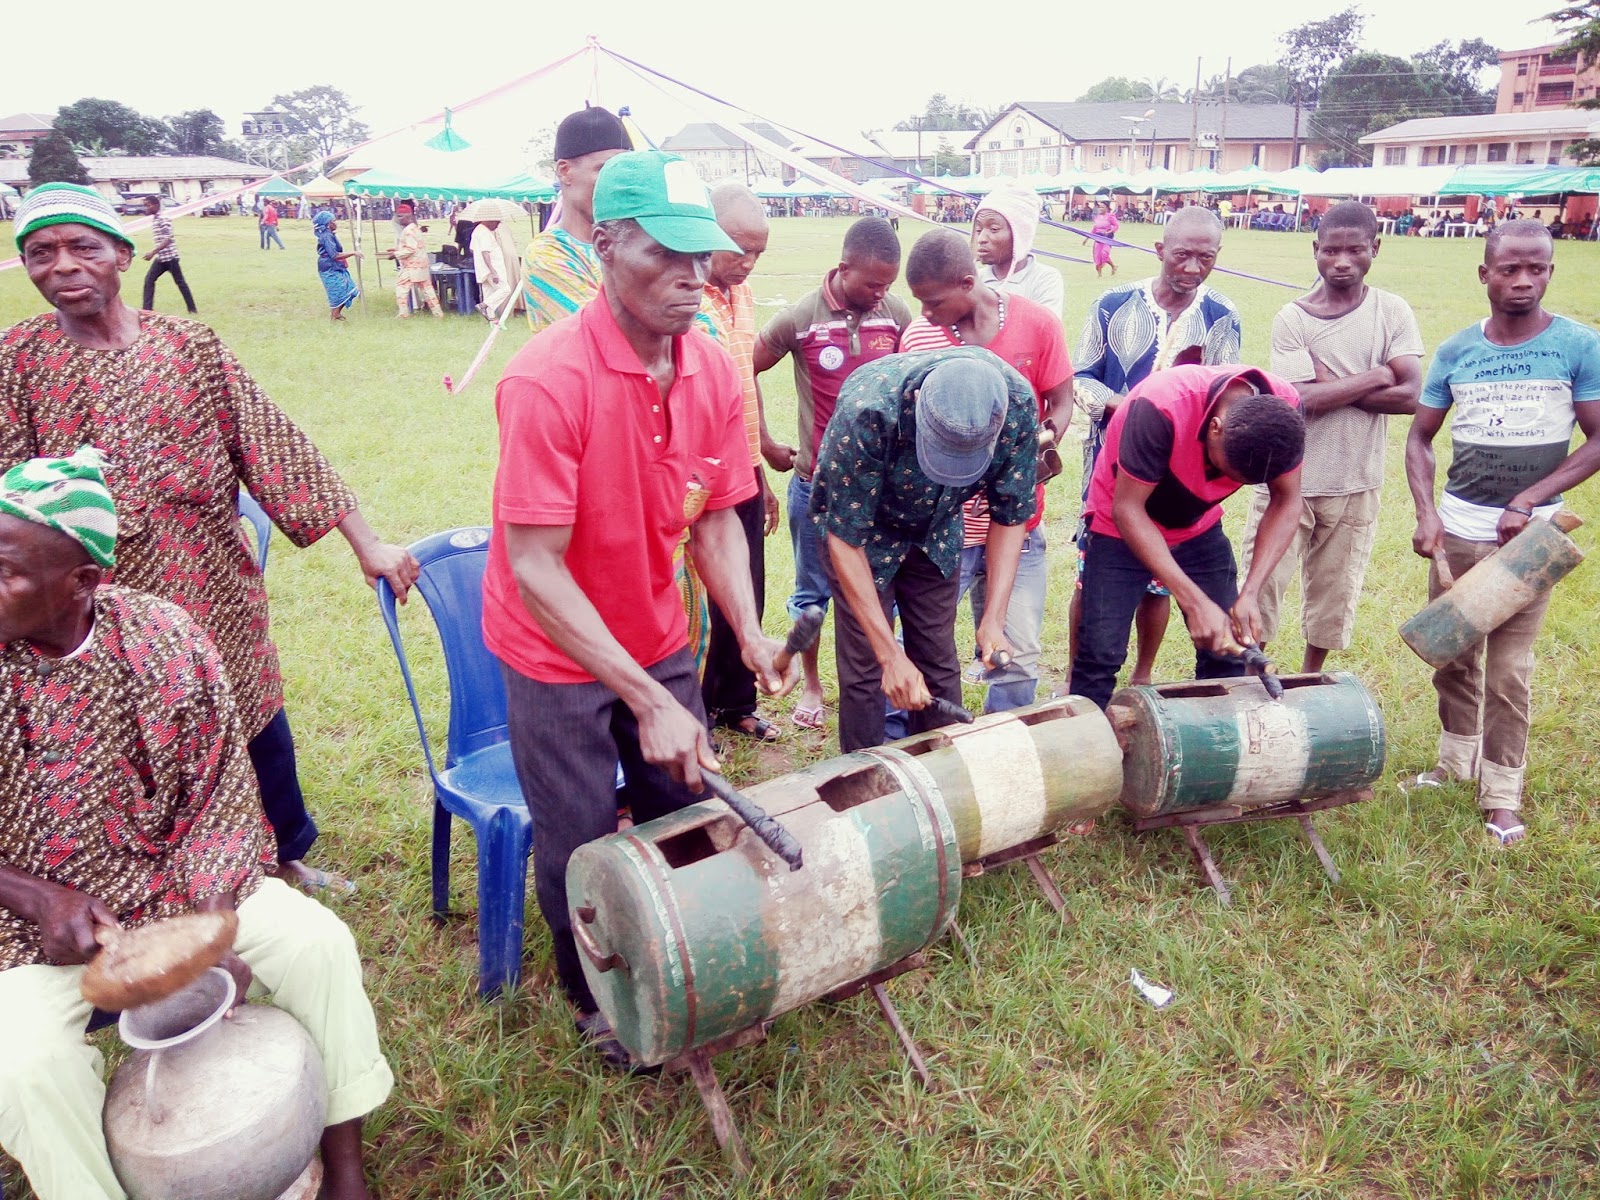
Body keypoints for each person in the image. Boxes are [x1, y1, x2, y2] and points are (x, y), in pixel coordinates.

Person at [1, 182, 420, 894]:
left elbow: (274, 445)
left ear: (123, 256)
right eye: (41, 253)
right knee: (126, 736)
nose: (62, 266)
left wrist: (368, 543)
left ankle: (283, 857)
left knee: (251, 713)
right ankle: (153, 874)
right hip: (101, 602)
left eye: (83, 247)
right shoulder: (19, 359)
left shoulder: (188, 345)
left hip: (213, 582)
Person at [0, 448, 393, 1200]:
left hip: (180, 891)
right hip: (30, 935)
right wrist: (34, 896)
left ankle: (345, 1170)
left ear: (84, 582)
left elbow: (218, 791)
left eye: (8, 571)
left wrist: (209, 930)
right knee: (21, 1063)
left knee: (318, 945)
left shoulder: (164, 639)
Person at [484, 152, 796, 1065]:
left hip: (657, 629)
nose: (693, 275)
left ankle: (687, 955)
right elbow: (535, 568)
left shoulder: (708, 368)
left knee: (685, 803)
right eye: (667, 253)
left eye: (702, 256)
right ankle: (595, 991)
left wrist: (744, 628)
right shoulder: (547, 381)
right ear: (608, 243)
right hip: (553, 649)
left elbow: (718, 521)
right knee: (582, 839)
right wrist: (647, 697)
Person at [1404, 220, 1600, 847]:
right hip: (1457, 531)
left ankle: (1501, 797)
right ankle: (1452, 765)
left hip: (1531, 542)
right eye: (1509, 268)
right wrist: (1426, 513)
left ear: (1549, 272)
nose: (1522, 280)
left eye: (1536, 269)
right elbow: (1418, 437)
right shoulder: (1457, 350)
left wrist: (1529, 498)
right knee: (1453, 655)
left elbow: (1598, 439)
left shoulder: (1578, 345)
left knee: (1508, 671)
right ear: (1483, 274)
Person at [811, 348, 1038, 751]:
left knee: (938, 662)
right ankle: (864, 788)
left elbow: (1010, 514)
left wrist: (993, 621)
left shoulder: (1017, 405)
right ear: (917, 405)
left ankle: (938, 773)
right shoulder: (868, 409)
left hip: (936, 534)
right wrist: (889, 657)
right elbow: (844, 538)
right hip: (864, 536)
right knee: (866, 669)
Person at [1239, 201, 1422, 673]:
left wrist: (1331, 384)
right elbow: (1298, 401)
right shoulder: (1293, 318)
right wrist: (1378, 373)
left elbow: (1410, 396)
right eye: (1331, 250)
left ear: (1374, 249)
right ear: (1314, 250)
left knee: (1334, 595)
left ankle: (1310, 679)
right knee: (1259, 590)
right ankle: (1251, 675)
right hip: (1285, 484)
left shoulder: (1392, 311)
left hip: (1355, 481)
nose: (1342, 261)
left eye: (1355, 250)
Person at [897, 229, 1072, 711]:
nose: (926, 313)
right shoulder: (919, 338)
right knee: (917, 650)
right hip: (941, 529)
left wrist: (1044, 442)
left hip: (1017, 523)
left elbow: (1061, 397)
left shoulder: (1037, 324)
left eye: (933, 302)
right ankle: (908, 744)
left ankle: (1007, 748)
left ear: (968, 282)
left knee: (1016, 656)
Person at [1068, 364, 1305, 710]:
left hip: (1198, 524)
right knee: (1099, 654)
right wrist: (1195, 604)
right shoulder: (1160, 406)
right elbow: (1128, 510)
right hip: (1120, 521)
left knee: (1228, 652)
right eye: (1228, 471)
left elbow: (1287, 499)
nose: (1225, 481)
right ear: (1215, 427)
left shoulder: (1284, 410)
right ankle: (1087, 754)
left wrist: (1251, 592)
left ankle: (1217, 744)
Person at [754, 216, 912, 732]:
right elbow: (742, 369)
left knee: (879, 588)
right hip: (815, 486)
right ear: (844, 269)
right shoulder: (801, 317)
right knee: (813, 597)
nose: (881, 293)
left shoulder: (895, 315)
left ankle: (879, 686)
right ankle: (815, 684)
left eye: (888, 284)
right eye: (872, 283)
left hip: (880, 492)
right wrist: (764, 442)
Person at [1071, 206, 1241, 687]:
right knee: (1098, 576)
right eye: (1182, 255)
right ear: (1160, 249)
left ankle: (1143, 676)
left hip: (1181, 481)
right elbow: (1081, 375)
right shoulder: (1113, 303)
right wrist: (1131, 411)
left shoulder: (1222, 315)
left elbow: (1223, 400)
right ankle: (1078, 675)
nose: (1192, 268)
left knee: (1159, 582)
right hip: (1111, 466)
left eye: (1205, 258)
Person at [695, 183, 782, 742]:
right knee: (704, 596)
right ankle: (695, 712)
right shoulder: (684, 295)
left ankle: (735, 703)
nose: (748, 262)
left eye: (758, 253)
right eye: (738, 249)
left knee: (747, 585)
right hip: (702, 472)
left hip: (744, 462)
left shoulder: (742, 296)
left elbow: (746, 378)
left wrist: (764, 453)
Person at [520, 106, 632, 333]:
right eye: (605, 169)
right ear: (564, 171)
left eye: (624, 171)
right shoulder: (548, 254)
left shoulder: (638, 242)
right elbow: (606, 335)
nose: (617, 182)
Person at [971, 185, 1064, 316]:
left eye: (994, 229)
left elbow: (1044, 330)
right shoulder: (973, 281)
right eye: (978, 230)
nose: (981, 239)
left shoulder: (1044, 279)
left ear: (1020, 234)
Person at [380, 200, 442, 318]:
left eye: (400, 216)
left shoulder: (408, 231)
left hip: (412, 267)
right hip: (421, 265)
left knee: (401, 289)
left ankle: (403, 313)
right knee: (427, 290)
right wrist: (396, 250)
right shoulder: (414, 228)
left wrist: (396, 254)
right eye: (397, 216)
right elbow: (413, 247)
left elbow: (410, 250)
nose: (398, 219)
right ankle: (438, 314)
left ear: (408, 216)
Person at [138, 196, 196, 315]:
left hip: (170, 258)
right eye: (145, 205)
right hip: (161, 258)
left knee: (180, 282)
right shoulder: (156, 218)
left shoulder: (163, 219)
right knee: (149, 280)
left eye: (148, 205)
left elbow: (168, 239)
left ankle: (192, 309)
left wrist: (153, 252)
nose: (146, 208)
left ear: (155, 205)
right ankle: (147, 311)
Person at [313, 210, 362, 321]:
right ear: (328, 224)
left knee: (349, 288)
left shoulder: (330, 235)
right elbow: (334, 255)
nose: (336, 223)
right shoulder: (326, 236)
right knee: (340, 290)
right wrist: (353, 253)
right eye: (334, 221)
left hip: (335, 266)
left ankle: (335, 315)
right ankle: (335, 315)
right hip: (329, 267)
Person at [471, 217, 511, 320]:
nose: (497, 226)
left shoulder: (477, 230)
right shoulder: (484, 233)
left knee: (489, 293)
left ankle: (491, 319)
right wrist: (493, 271)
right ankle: (483, 305)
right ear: (490, 220)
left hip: (482, 269)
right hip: (491, 269)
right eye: (497, 223)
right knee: (505, 289)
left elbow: (472, 249)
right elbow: (485, 252)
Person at [1089, 200, 1119, 277]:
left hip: (1107, 238)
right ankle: (1099, 274)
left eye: (1103, 207)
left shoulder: (1110, 216)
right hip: (1098, 238)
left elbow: (1116, 226)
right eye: (1100, 207)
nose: (1100, 209)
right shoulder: (1097, 217)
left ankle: (1113, 266)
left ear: (1107, 208)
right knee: (1098, 256)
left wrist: (1109, 232)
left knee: (1104, 253)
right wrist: (1087, 238)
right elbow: (1095, 228)